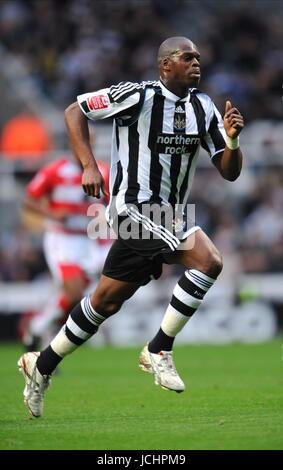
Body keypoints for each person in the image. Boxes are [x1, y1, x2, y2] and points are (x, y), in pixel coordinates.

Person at [17, 36, 244, 418]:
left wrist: (234, 142)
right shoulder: (136, 96)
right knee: (209, 260)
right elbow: (75, 110)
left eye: (198, 58)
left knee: (104, 301)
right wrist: (88, 164)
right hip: (132, 209)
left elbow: (229, 172)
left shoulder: (204, 108)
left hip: (167, 216)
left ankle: (40, 366)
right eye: (187, 57)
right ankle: (158, 348)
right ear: (164, 65)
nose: (196, 63)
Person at [20, 154, 111, 350]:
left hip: (89, 241)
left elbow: (113, 201)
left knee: (73, 297)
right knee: (74, 291)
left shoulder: (103, 171)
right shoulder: (55, 170)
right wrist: (52, 214)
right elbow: (29, 201)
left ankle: (38, 330)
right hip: (62, 238)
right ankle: (43, 335)